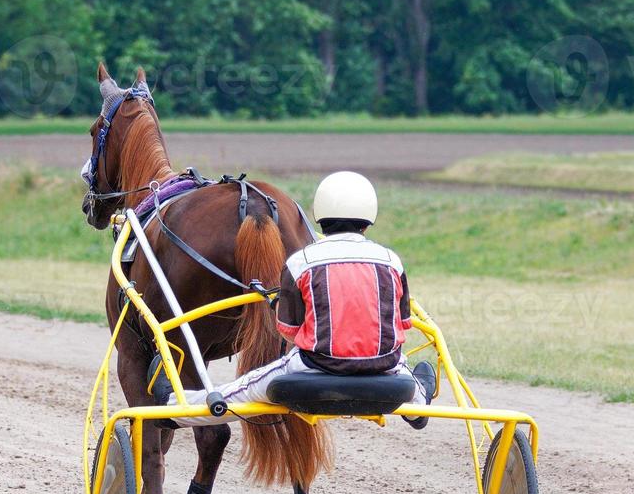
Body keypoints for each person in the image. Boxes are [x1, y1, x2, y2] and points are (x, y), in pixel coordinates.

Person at [155, 170, 436, 427]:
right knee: (403, 369)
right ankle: (418, 403)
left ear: (320, 216)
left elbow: (288, 329)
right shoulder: (392, 261)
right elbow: (402, 322)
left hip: (314, 369)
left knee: (241, 391)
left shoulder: (301, 261)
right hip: (385, 369)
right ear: (369, 218)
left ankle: (174, 411)